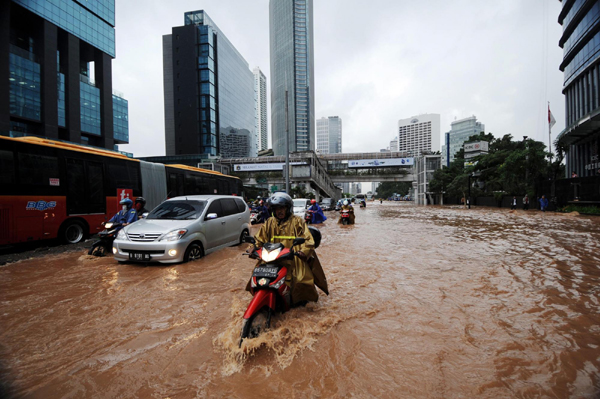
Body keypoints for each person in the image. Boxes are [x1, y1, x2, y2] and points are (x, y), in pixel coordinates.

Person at [245, 192, 328, 306]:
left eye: (282, 208)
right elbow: (259, 238)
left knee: (302, 279)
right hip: (272, 257)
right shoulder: (269, 222)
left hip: (293, 257)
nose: (280, 211)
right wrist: (252, 248)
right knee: (256, 276)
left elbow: (308, 239)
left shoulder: (297, 221)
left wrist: (303, 252)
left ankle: (303, 303)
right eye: (276, 208)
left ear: (288, 208)